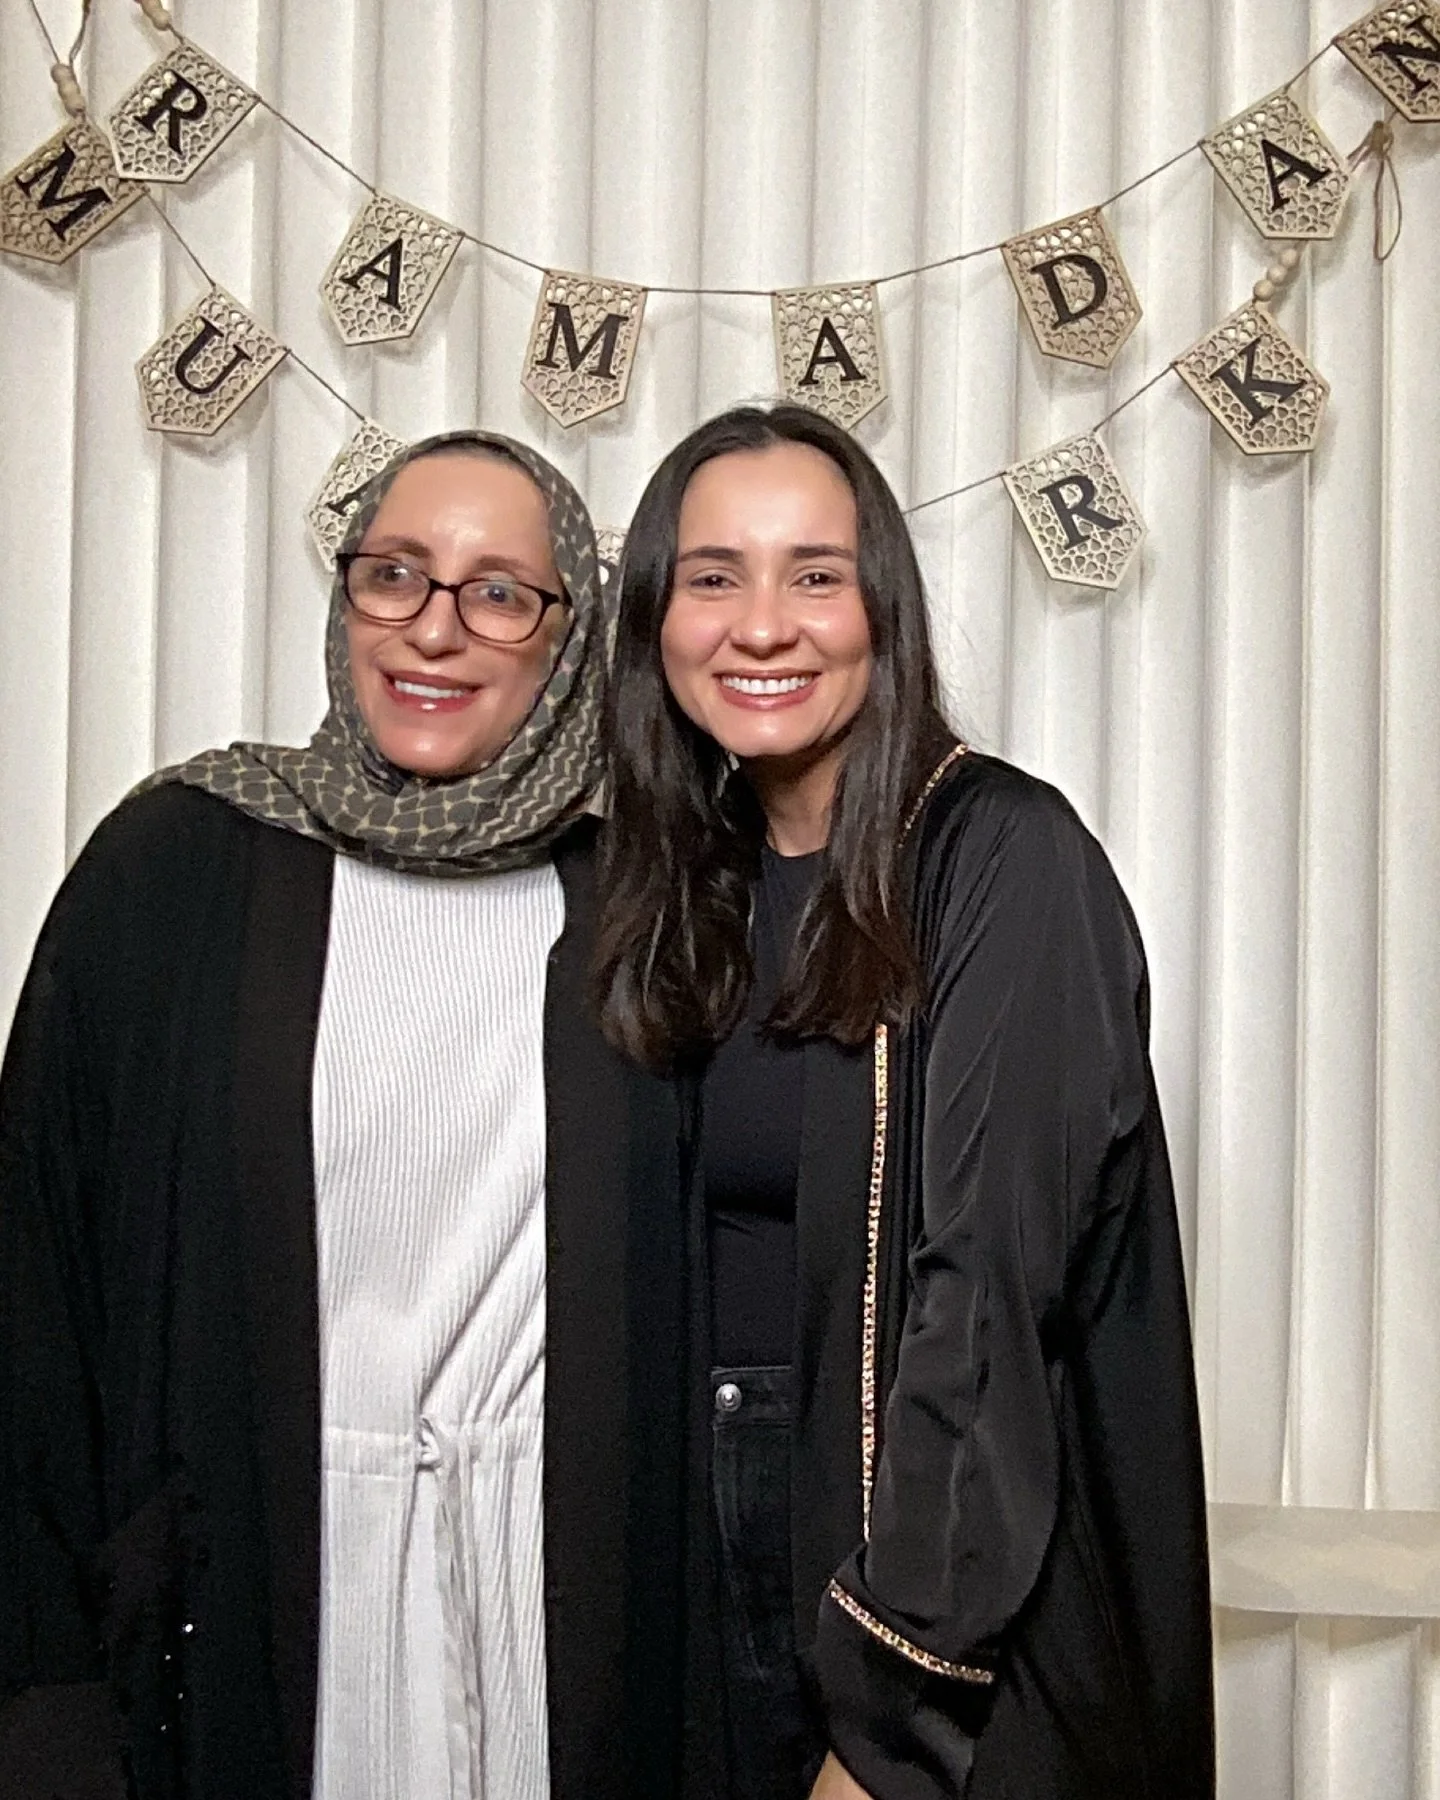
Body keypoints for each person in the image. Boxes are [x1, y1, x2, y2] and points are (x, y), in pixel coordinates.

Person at [0, 430, 678, 1800]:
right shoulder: (178, 863)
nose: (435, 629)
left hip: (553, 1611)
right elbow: (33, 1286)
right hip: (241, 1591)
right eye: (395, 574)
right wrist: (48, 1697)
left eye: (500, 591)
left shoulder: (647, 899)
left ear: (574, 635)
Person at [595, 404, 1216, 1799]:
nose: (764, 624)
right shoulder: (678, 890)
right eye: (713, 576)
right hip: (711, 1571)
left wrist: (891, 1709)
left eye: (816, 574)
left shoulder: (1002, 857)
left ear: (883, 608)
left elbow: (987, 1300)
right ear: (654, 619)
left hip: (935, 1598)